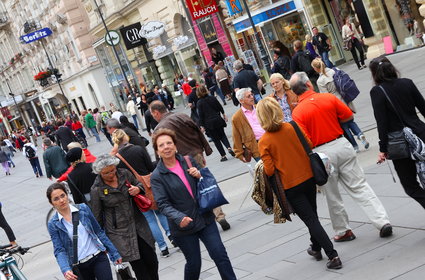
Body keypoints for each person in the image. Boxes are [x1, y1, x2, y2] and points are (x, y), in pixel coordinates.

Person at [290, 71, 393, 240]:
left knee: (332, 195)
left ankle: (343, 230)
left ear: (295, 92)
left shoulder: (298, 112)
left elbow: (305, 140)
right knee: (359, 185)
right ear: (309, 84)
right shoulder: (328, 98)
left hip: (321, 152)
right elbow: (347, 115)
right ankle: (382, 221)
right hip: (341, 143)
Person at [257, 98, 342, 269]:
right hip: (309, 177)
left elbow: (270, 170)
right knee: (313, 215)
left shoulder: (264, 141)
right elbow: (308, 144)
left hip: (291, 185)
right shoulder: (292, 127)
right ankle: (316, 248)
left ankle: (333, 256)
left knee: (311, 220)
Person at [151, 128, 237, 280]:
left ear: (175, 145)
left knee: (220, 254)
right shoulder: (157, 176)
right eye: (161, 145)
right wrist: (179, 218)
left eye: (169, 143)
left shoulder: (188, 160)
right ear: (157, 151)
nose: (166, 147)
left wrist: (199, 175)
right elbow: (162, 204)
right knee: (194, 263)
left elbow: (204, 182)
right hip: (183, 226)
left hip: (205, 217)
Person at [150, 101, 231, 231]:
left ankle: (200, 216)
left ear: (156, 112)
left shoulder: (159, 130)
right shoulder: (182, 116)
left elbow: (158, 151)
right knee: (205, 185)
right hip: (195, 154)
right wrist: (204, 149)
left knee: (188, 190)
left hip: (178, 163)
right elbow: (199, 132)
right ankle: (219, 215)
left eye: (153, 114)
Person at [91, 154, 158, 280]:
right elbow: (97, 217)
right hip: (119, 234)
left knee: (152, 261)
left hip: (139, 225)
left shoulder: (125, 174)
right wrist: (101, 242)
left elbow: (140, 184)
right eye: (107, 173)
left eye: (113, 170)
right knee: (140, 269)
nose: (111, 174)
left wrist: (137, 189)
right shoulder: (97, 189)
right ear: (100, 173)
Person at [370, 56, 425, 209]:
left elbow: (382, 123)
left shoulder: (377, 92)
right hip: (421, 135)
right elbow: (423, 108)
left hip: (400, 144)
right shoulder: (407, 83)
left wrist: (383, 149)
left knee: (410, 185)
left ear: (375, 74)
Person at [112, 129, 174, 258]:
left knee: (149, 220)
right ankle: (171, 235)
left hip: (135, 190)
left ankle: (163, 247)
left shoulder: (117, 158)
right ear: (126, 137)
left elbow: (120, 177)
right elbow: (151, 167)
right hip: (150, 186)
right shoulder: (138, 149)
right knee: (160, 212)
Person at [47, 183, 122, 280]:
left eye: (62, 195)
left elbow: (98, 231)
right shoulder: (53, 224)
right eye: (56, 199)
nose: (61, 200)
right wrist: (65, 269)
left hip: (98, 257)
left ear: (67, 195)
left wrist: (114, 253)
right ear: (51, 203)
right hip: (79, 267)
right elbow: (59, 249)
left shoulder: (83, 208)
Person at [312, 58, 369, 152]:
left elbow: (325, 96)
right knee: (351, 121)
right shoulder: (334, 71)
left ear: (316, 68)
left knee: (344, 127)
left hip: (335, 103)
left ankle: (355, 146)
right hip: (345, 99)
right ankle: (359, 134)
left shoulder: (320, 80)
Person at [197, 85, 235, 162]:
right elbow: (220, 107)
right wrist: (224, 115)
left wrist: (201, 126)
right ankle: (228, 147)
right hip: (218, 119)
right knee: (223, 135)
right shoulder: (212, 98)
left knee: (216, 140)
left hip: (209, 124)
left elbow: (200, 115)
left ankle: (223, 155)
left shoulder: (199, 103)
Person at [232, 88, 265, 163]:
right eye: (248, 96)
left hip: (270, 140)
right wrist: (239, 153)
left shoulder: (260, 107)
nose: (252, 97)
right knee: (267, 171)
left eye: (251, 94)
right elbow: (236, 136)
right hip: (255, 147)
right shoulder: (237, 117)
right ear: (241, 101)